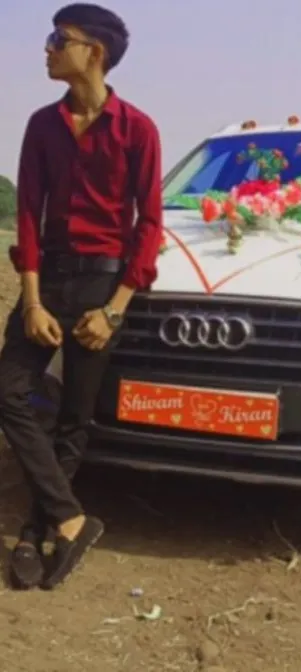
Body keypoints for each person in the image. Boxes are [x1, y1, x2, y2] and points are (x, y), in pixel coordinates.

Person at [0, 3, 162, 590]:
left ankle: (34, 533)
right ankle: (70, 517)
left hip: (101, 285)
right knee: (10, 391)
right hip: (50, 280)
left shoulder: (137, 128)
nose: (45, 49)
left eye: (56, 39)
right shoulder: (42, 125)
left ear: (93, 52)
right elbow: (27, 214)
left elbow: (149, 225)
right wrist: (33, 301)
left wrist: (114, 310)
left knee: (73, 419)